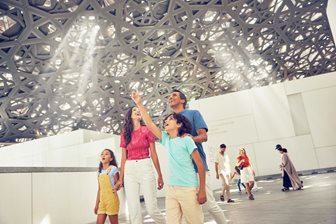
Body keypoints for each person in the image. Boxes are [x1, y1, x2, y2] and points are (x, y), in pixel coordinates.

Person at [131, 90, 206, 224]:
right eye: (166, 120)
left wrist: (201, 190)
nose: (166, 121)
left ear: (179, 124)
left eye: (170, 119)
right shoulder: (166, 139)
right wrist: (139, 103)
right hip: (171, 190)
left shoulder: (187, 140)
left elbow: (200, 165)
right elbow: (150, 124)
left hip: (188, 189)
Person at [168, 90, 227, 223]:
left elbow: (204, 136)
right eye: (169, 96)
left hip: (197, 168)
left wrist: (190, 139)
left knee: (209, 204)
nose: (170, 97)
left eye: (174, 95)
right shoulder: (170, 120)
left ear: (183, 100)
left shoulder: (193, 114)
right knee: (184, 211)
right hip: (182, 173)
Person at [114, 106, 165, 224]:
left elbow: (154, 154)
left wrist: (160, 175)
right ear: (129, 115)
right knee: (133, 209)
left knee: (152, 209)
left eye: (139, 109)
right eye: (134, 110)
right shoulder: (125, 133)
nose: (137, 111)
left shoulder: (147, 130)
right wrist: (120, 178)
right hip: (130, 169)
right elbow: (123, 158)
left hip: (145, 166)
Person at [94, 149, 120, 224]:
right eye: (102, 154)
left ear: (111, 158)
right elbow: (99, 189)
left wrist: (117, 187)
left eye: (106, 154)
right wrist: (96, 204)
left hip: (111, 200)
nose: (103, 155)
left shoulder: (113, 169)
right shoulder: (99, 171)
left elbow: (118, 183)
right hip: (102, 201)